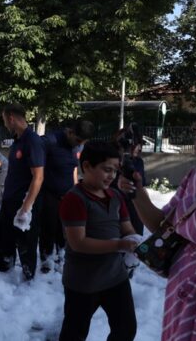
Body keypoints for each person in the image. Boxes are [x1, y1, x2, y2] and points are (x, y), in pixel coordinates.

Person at [118, 87, 196, 340]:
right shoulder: (195, 177)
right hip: (183, 299)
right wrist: (137, 193)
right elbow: (165, 226)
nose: (195, 126)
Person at [59, 141, 138, 341]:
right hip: (83, 282)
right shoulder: (74, 199)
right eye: (106, 170)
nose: (112, 176)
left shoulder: (116, 196)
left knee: (126, 330)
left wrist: (134, 241)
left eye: (115, 170)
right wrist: (119, 245)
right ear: (86, 167)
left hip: (115, 278)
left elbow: (126, 228)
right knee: (74, 334)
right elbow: (79, 243)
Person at [0, 104, 45, 280]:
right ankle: (3, 281)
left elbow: (38, 177)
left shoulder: (32, 141)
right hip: (10, 201)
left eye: (4, 120)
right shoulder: (17, 141)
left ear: (11, 118)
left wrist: (26, 208)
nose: (5, 125)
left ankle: (27, 283)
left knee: (26, 246)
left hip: (24, 204)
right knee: (3, 243)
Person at [38, 120, 94, 273]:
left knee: (65, 230)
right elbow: (36, 167)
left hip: (68, 193)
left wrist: (75, 189)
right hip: (49, 193)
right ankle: (46, 259)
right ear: (69, 132)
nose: (79, 145)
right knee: (48, 228)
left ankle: (61, 256)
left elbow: (73, 168)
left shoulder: (77, 146)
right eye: (77, 140)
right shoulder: (50, 141)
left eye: (82, 142)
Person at [110, 126, 147, 236]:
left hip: (133, 206)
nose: (139, 148)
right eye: (136, 144)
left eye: (139, 144)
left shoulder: (138, 162)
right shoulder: (110, 160)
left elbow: (141, 186)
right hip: (114, 207)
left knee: (135, 237)